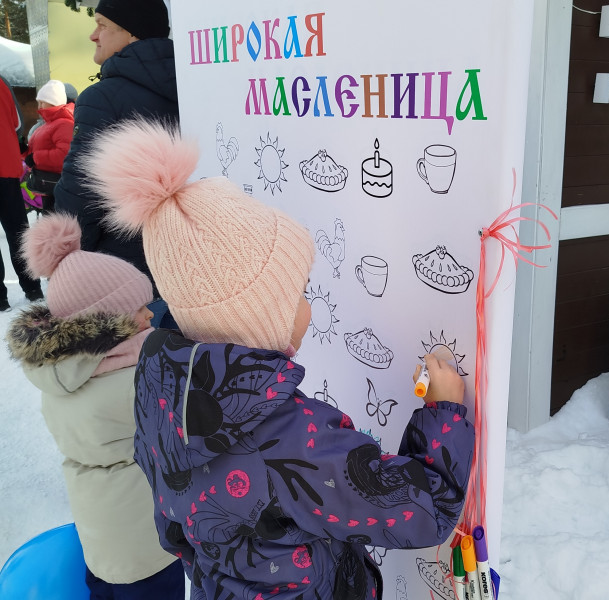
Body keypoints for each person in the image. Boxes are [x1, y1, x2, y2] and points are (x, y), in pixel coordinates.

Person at [83, 118, 476, 599]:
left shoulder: (161, 399)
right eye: (300, 292)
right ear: (262, 315)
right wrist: (443, 413)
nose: (310, 307)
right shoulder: (288, 436)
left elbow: (174, 533)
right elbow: (423, 510)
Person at [5, 213, 185, 599]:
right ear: (110, 324)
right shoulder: (134, 382)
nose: (150, 313)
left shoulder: (62, 378)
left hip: (100, 538)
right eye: (139, 308)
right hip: (146, 546)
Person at [54, 0, 178, 327]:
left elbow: (81, 191)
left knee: (135, 360)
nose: (93, 35)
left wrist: (68, 261)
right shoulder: (192, 83)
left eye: (102, 24)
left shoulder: (103, 97)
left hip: (125, 280)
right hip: (189, 270)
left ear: (132, 33)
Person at [0, 75, 44, 311]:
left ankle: (0, 299)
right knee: (18, 230)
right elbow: (17, 123)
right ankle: (33, 288)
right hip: (5, 164)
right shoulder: (2, 82)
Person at [24, 80, 75, 213]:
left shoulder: (64, 124)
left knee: (57, 220)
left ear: (54, 102)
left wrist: (35, 157)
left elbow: (64, 154)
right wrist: (24, 151)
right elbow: (36, 152)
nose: (39, 106)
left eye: (42, 102)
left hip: (58, 184)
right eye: (39, 102)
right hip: (48, 184)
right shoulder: (47, 125)